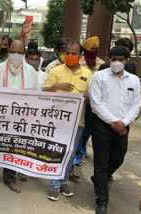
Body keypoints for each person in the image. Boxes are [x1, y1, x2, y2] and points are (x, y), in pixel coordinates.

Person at [89, 46, 141, 214]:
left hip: (123, 127)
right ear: (109, 59)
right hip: (101, 126)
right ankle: (102, 201)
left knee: (118, 158)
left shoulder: (134, 80)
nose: (117, 62)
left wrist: (124, 123)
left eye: (121, 60)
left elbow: (136, 105)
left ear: (127, 60)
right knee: (101, 163)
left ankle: (99, 180)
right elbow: (96, 104)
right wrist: (115, 123)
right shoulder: (99, 77)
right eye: (114, 59)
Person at [0, 39, 40, 193]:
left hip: (20, 119)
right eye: (13, 52)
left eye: (20, 52)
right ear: (8, 52)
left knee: (15, 147)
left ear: (24, 53)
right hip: (0, 116)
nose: (16, 55)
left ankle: (10, 178)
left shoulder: (31, 72)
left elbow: (37, 95)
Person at [44, 41, 92, 201]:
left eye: (74, 53)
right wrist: (56, 86)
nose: (70, 56)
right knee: (57, 152)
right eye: (68, 53)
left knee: (70, 153)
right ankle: (54, 185)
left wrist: (88, 98)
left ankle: (63, 180)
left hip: (78, 122)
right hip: (57, 120)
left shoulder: (88, 74)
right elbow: (44, 93)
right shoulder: (56, 71)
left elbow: (94, 97)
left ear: (81, 55)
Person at [74, 36, 105, 166]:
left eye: (96, 49)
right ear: (85, 49)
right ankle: (76, 152)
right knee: (79, 127)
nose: (94, 50)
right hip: (80, 101)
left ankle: (82, 147)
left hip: (94, 102)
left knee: (89, 128)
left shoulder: (101, 64)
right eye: (91, 48)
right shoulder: (78, 62)